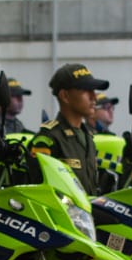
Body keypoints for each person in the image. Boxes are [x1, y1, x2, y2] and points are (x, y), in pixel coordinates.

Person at [30, 62, 109, 194]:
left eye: (93, 91)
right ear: (65, 96)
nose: (94, 97)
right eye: (86, 90)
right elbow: (40, 190)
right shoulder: (48, 139)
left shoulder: (88, 136)